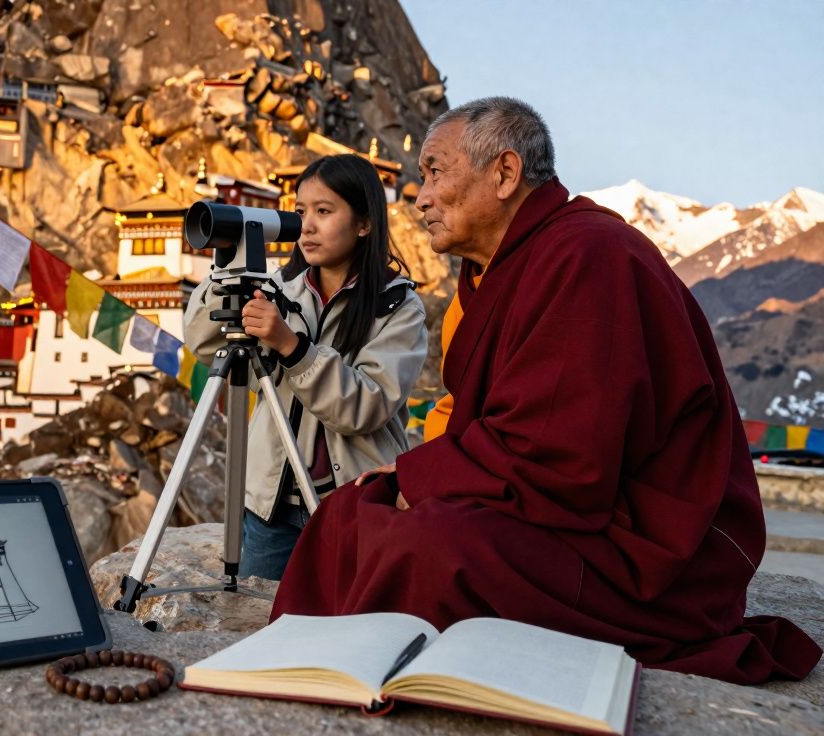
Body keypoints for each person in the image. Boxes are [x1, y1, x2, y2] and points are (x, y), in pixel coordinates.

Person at [270, 97, 821, 684]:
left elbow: (564, 453)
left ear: (505, 173)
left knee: (433, 547)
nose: (420, 197)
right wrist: (418, 476)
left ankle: (362, 671)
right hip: (566, 502)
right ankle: (300, 662)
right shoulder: (506, 266)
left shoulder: (589, 254)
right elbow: (506, 423)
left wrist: (428, 479)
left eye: (435, 173)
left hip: (644, 546)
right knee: (354, 507)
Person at [183, 154, 429, 580]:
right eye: (300, 212)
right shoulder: (278, 288)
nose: (307, 226)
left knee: (346, 616)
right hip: (271, 510)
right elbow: (205, 343)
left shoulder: (397, 307)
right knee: (259, 614)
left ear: (364, 224)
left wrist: (292, 347)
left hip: (355, 503)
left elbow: (365, 406)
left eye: (324, 211)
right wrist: (227, 271)